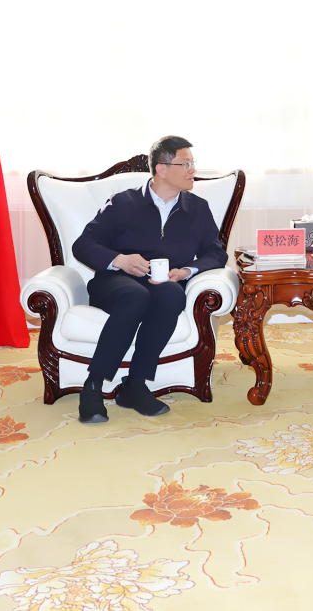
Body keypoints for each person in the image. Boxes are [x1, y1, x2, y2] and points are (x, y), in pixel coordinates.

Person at [70, 136, 226, 424]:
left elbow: (216, 253)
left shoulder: (197, 208)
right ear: (161, 169)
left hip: (163, 283)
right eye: (185, 163)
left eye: (193, 163)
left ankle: (135, 384)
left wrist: (185, 272)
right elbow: (83, 245)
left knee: (173, 294)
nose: (192, 169)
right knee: (135, 296)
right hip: (115, 282)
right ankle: (92, 385)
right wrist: (120, 260)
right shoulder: (123, 202)